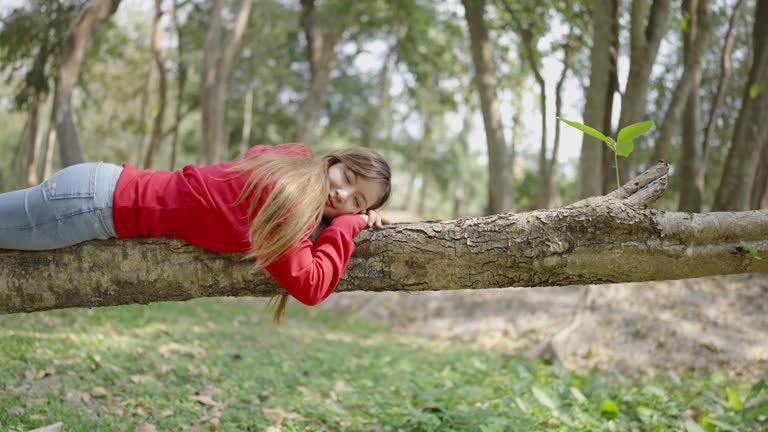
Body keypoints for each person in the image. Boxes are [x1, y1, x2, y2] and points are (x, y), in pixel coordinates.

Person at [0, 143, 392, 321]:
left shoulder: (290, 163)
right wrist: (348, 224)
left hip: (96, 189)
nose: (342, 194)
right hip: (90, 206)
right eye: (348, 176)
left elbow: (258, 154)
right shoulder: (289, 202)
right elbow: (310, 285)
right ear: (336, 159)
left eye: (358, 201)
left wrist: (330, 220)